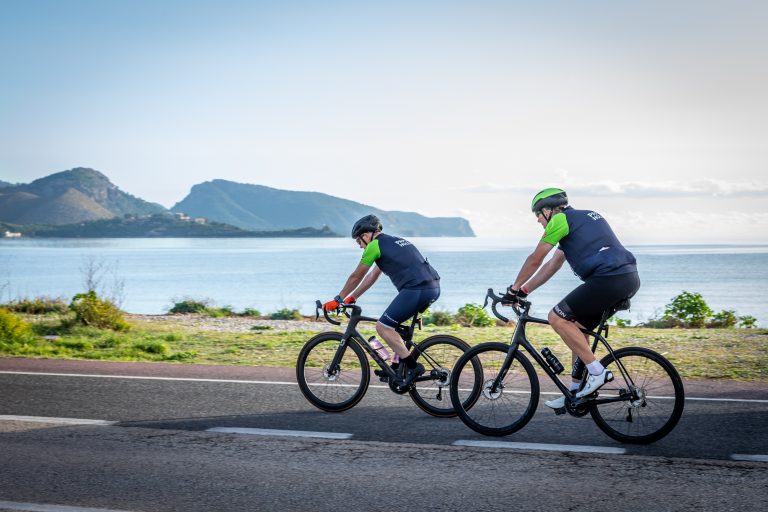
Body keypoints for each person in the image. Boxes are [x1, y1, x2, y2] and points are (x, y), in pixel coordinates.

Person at [503, 188, 640, 409]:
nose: (538, 220)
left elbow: (536, 259)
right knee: (576, 328)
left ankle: (597, 372)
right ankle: (576, 393)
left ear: (548, 210)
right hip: (627, 277)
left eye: (538, 214)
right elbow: (553, 264)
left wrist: (513, 289)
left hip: (608, 278)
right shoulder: (583, 217)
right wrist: (524, 291)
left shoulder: (559, 220)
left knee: (557, 318)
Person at [323, 214, 441, 387]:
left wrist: (338, 299)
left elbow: (357, 275)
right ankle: (395, 366)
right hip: (433, 287)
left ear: (366, 235)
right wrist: (353, 297)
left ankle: (413, 367)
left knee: (382, 326)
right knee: (393, 326)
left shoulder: (374, 246)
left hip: (416, 289)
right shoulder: (394, 241)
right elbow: (371, 276)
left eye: (359, 242)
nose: (360, 247)